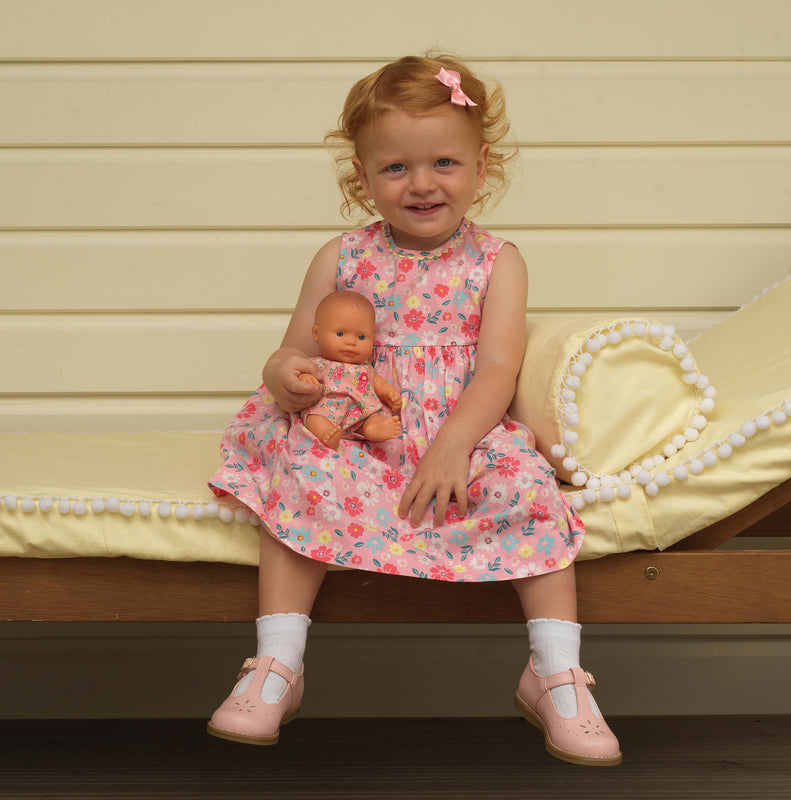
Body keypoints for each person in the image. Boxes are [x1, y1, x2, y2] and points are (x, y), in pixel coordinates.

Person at [206, 54, 621, 766]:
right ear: (361, 178)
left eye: (444, 163)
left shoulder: (499, 261)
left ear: (482, 164)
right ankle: (278, 663)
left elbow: (497, 367)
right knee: (301, 464)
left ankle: (555, 671)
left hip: (460, 424)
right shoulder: (341, 255)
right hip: (357, 422)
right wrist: (287, 378)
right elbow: (291, 350)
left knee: (529, 485)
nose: (422, 184)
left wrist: (457, 441)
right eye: (396, 168)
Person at [298, 290, 401, 450]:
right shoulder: (317, 363)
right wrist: (305, 378)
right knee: (314, 417)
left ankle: (373, 429)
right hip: (328, 409)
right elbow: (302, 374)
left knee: (375, 416)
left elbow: (378, 385)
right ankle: (326, 434)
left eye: (361, 337)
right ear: (316, 333)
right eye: (340, 333)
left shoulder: (366, 368)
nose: (351, 342)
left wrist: (389, 393)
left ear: (372, 339)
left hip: (362, 411)